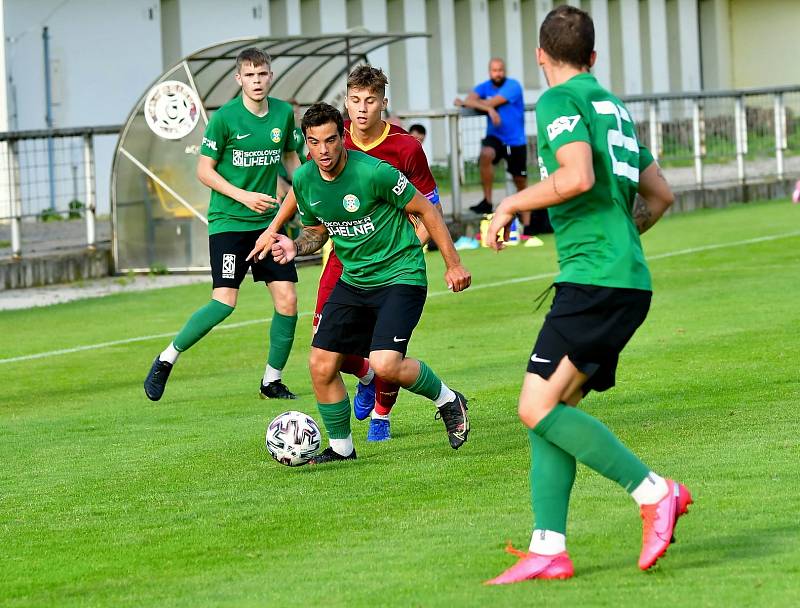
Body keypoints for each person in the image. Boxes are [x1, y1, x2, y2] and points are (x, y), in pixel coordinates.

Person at [483, 6, 691, 584]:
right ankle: (548, 546)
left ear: (539, 54)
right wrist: (620, 244)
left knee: (536, 407)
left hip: (595, 281)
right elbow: (661, 195)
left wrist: (509, 204)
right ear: (593, 57)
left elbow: (576, 177)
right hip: (618, 277)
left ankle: (655, 491)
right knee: (551, 409)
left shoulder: (556, 100)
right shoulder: (611, 104)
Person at [247, 102, 471, 464]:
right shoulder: (304, 180)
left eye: (331, 140)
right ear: (306, 144)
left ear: (342, 137)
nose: (324, 150)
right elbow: (317, 231)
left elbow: (426, 210)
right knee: (321, 364)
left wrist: (453, 264)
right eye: (315, 142)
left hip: (400, 274)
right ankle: (341, 449)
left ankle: (448, 399)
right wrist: (295, 245)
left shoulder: (375, 173)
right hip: (354, 280)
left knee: (385, 364)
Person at [143, 48, 302, 402]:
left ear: (270, 75)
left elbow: (291, 157)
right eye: (250, 75)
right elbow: (204, 171)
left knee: (288, 300)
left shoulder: (282, 114)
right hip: (228, 222)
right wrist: (244, 196)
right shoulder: (225, 118)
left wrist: (304, 193)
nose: (257, 81)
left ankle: (271, 381)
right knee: (224, 302)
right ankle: (167, 358)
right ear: (238, 79)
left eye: (262, 74)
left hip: (268, 224)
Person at [454, 58, 528, 220]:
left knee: (520, 180)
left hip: (515, 140)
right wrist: (488, 108)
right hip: (495, 136)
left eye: (500, 70)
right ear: (489, 72)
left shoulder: (513, 86)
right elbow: (474, 100)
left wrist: (478, 104)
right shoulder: (484, 86)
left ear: (505, 71)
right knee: (486, 154)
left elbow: (485, 101)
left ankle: (527, 221)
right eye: (495, 70)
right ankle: (487, 201)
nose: (498, 73)